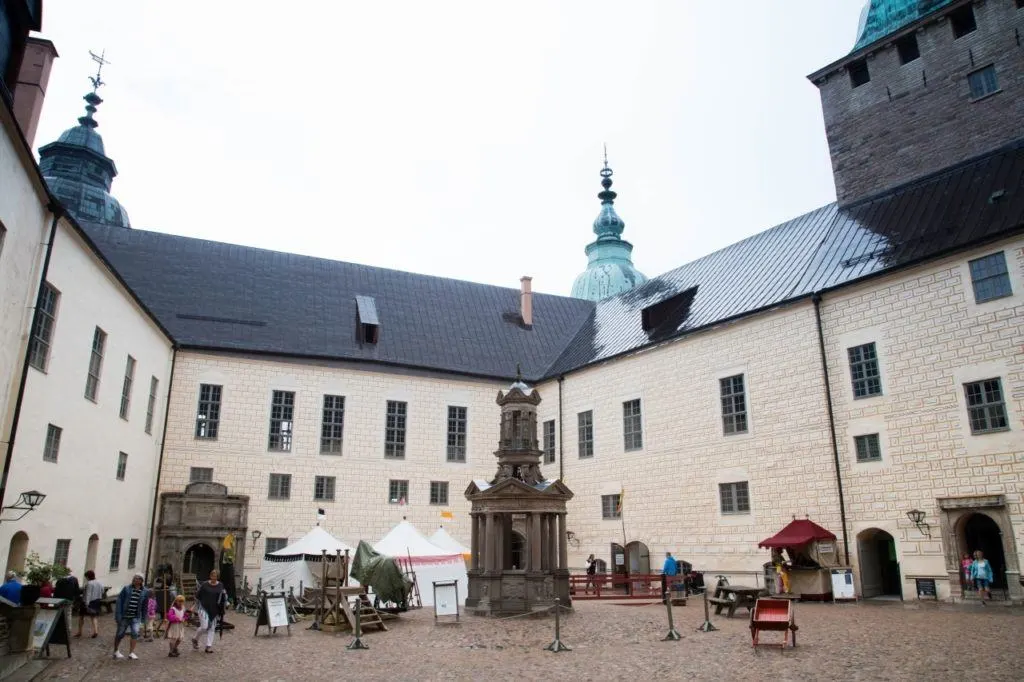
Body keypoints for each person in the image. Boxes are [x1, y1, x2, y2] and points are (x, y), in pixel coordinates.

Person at [113, 573, 150, 660]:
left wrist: (143, 619)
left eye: (136, 578)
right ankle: (116, 651)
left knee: (135, 633)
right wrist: (118, 615)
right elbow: (119, 602)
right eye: (134, 578)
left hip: (135, 617)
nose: (134, 580)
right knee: (120, 634)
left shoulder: (145, 591)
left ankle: (131, 653)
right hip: (124, 616)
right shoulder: (126, 589)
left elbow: (145, 606)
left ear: (141, 580)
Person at [192, 569, 227, 654]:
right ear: (210, 576)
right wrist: (193, 606)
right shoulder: (205, 585)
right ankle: (195, 639)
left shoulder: (221, 585)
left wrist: (224, 605)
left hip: (215, 610)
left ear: (217, 577)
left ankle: (208, 646)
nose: (213, 577)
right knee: (204, 627)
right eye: (212, 575)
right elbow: (198, 596)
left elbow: (223, 597)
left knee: (212, 628)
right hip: (203, 608)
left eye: (215, 576)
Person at [77, 570, 103, 638]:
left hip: (88, 601)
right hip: (96, 600)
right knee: (93, 617)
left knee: (81, 616)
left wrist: (86, 604)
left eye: (86, 577)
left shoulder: (89, 583)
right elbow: (102, 590)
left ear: (88, 576)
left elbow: (88, 594)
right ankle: (96, 631)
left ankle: (79, 632)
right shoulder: (99, 582)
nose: (86, 578)